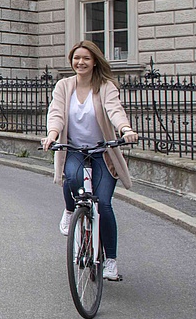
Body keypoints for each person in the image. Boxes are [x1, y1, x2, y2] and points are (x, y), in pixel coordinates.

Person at [41, 40, 139, 280]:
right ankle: (70, 211)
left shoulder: (105, 86)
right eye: (76, 58)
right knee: (71, 178)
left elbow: (114, 109)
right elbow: (56, 113)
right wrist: (52, 135)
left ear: (95, 61)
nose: (80, 62)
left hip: (102, 152)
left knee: (104, 204)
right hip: (74, 148)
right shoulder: (64, 86)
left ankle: (111, 262)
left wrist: (125, 129)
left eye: (86, 58)